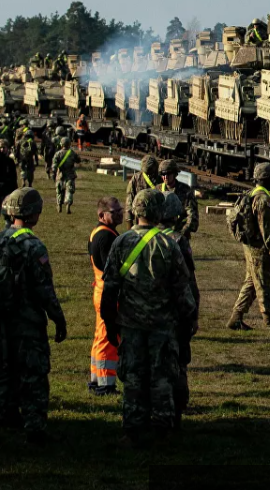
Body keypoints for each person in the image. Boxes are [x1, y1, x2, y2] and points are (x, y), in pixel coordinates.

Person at [99, 189, 197, 447]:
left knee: (133, 378)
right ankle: (163, 431)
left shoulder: (121, 242)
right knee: (162, 378)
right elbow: (183, 293)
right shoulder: (169, 245)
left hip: (130, 325)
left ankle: (132, 430)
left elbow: (109, 290)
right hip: (163, 326)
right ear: (158, 212)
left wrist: (110, 325)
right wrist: (188, 325)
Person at [0, 188, 67, 446]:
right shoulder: (33, 245)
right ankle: (35, 431)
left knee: (0, 377)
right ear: (33, 214)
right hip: (27, 324)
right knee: (33, 377)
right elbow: (44, 290)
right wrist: (57, 318)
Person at [158, 193, 200, 429]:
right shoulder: (178, 242)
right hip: (175, 314)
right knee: (178, 363)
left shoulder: (134, 239)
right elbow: (188, 282)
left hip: (146, 315)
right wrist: (193, 313)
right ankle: (176, 410)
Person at [228, 162, 270, 331]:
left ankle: (236, 317)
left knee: (251, 282)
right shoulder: (263, 199)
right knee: (264, 283)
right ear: (268, 179)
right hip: (259, 247)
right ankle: (269, 320)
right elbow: (266, 229)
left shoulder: (252, 193)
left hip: (250, 244)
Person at [89, 196, 124, 396]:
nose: (120, 213)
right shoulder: (106, 237)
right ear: (102, 215)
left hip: (100, 291)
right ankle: (105, 384)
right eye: (115, 211)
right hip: (107, 294)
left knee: (100, 336)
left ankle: (96, 378)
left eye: (120, 209)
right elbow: (112, 269)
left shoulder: (99, 232)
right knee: (107, 340)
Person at [157, 160, 199, 240]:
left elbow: (192, 216)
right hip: (160, 235)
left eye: (168, 173)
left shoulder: (185, 191)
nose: (165, 177)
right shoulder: (157, 190)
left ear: (175, 174)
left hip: (179, 234)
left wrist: (181, 233)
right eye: (163, 174)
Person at [125, 155, 160, 225]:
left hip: (158, 220)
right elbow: (129, 201)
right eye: (146, 172)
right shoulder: (136, 178)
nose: (149, 175)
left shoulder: (161, 179)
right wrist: (129, 222)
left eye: (150, 172)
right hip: (141, 220)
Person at [0, 138, 18, 229]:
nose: (2, 150)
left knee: (7, 215)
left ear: (8, 149)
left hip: (7, 191)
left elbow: (13, 178)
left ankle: (7, 232)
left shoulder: (10, 161)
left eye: (4, 148)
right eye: (0, 147)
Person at [52, 137, 79, 215]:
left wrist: (54, 172)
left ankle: (59, 205)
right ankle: (68, 205)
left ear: (61, 144)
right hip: (70, 174)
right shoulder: (72, 153)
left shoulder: (58, 153)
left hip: (60, 174)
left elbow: (54, 164)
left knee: (59, 191)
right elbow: (78, 160)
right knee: (69, 190)